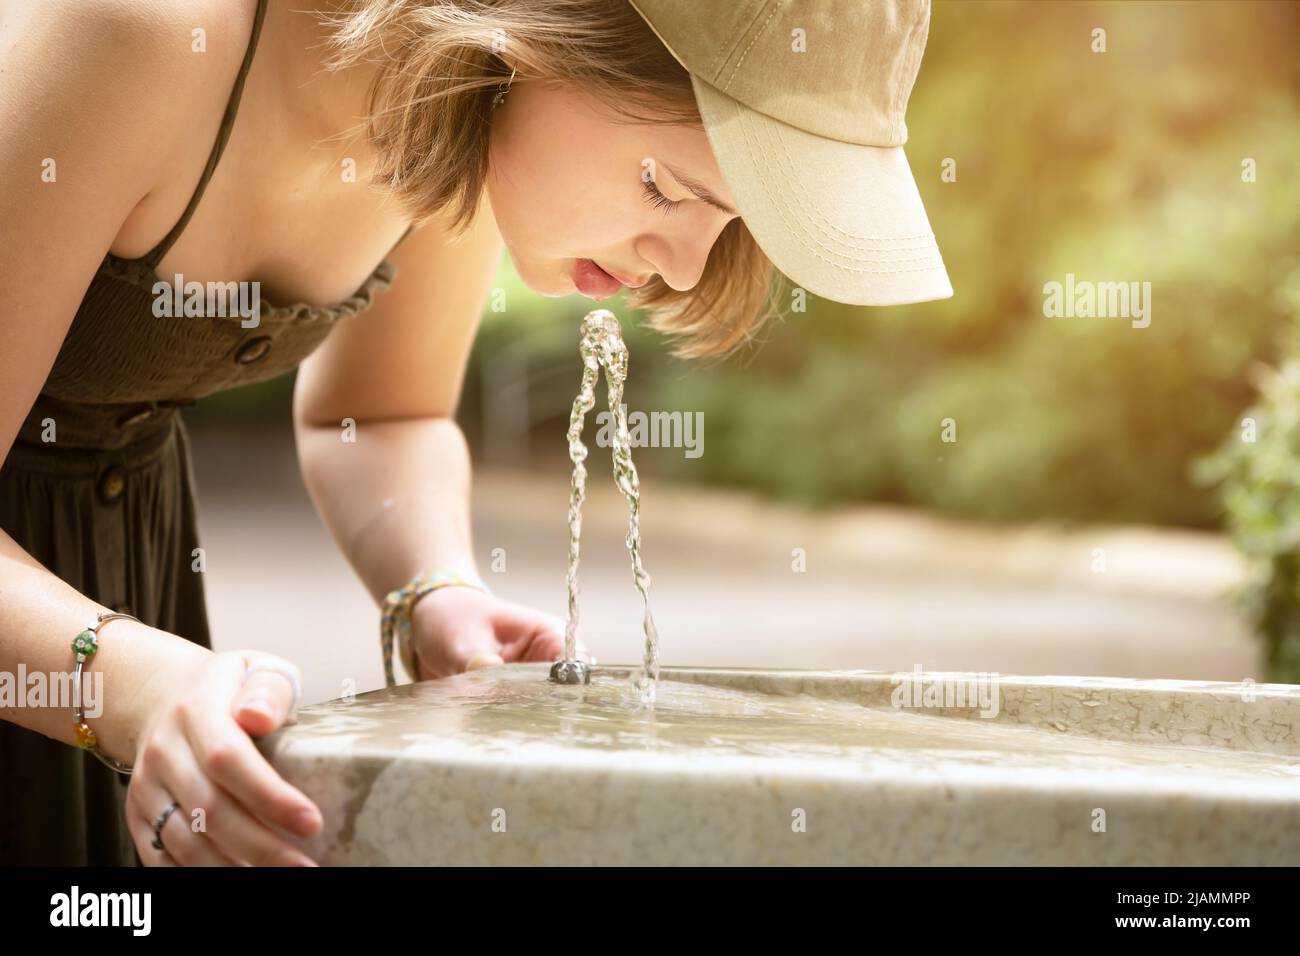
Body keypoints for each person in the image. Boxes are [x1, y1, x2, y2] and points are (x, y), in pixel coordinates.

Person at [0, 0, 950, 866]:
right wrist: (123, 684)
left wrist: (434, 588)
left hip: (117, 621)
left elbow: (380, 415)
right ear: (541, 26)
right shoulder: (129, 33)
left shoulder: (460, 105)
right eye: (665, 188)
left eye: (728, 220)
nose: (689, 270)